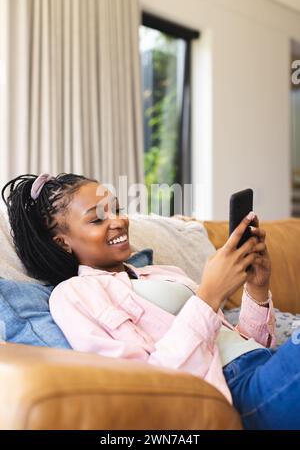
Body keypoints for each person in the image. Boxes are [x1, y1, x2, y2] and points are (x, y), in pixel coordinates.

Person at [2, 173, 300, 430]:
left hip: (266, 364)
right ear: (63, 242)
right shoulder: (75, 295)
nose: (118, 221)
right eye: (97, 218)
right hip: (239, 392)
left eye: (116, 209)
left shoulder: (165, 273)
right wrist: (209, 296)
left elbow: (248, 344)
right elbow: (147, 382)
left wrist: (257, 289)